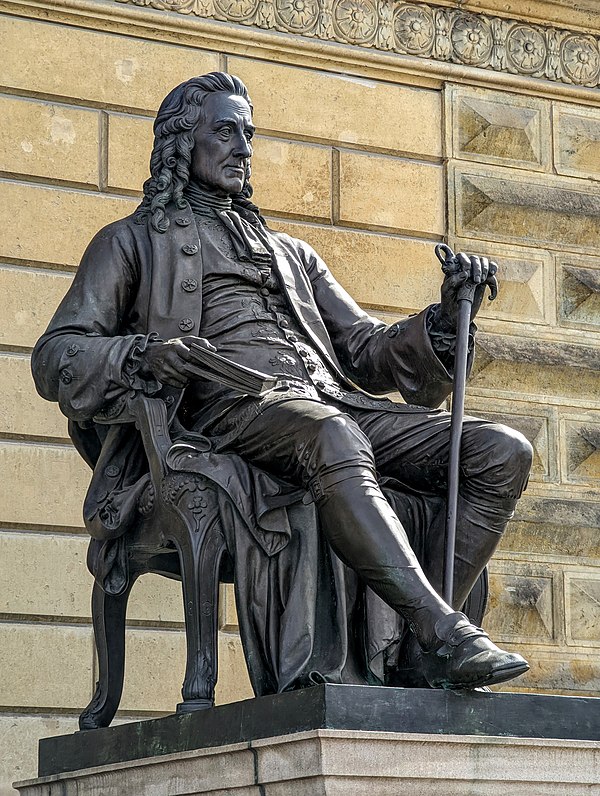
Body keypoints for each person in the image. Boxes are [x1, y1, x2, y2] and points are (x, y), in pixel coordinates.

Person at [32, 71, 532, 692]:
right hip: (225, 414)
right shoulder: (131, 243)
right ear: (181, 144)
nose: (243, 147)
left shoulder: (292, 253)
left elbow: (369, 352)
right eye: (225, 131)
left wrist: (442, 318)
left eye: (249, 133)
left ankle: (418, 648)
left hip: (328, 403)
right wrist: (141, 355)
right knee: (333, 435)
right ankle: (444, 631)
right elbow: (57, 355)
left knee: (500, 452)